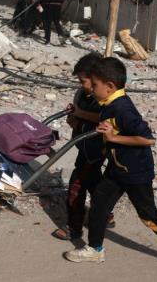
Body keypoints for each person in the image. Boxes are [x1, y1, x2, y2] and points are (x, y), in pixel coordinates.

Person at [64, 57, 157, 282]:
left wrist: (113, 137)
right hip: (116, 169)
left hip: (135, 172)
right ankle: (95, 249)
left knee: (148, 216)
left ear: (110, 86)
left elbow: (147, 139)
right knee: (100, 205)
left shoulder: (123, 108)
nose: (90, 90)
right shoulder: (108, 104)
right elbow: (103, 120)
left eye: (94, 85)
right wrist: (85, 119)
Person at [52, 53, 115, 242]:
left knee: (76, 187)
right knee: (94, 182)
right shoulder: (83, 94)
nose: (82, 85)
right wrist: (74, 117)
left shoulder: (105, 97)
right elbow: (77, 115)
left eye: (85, 81)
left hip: (95, 149)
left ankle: (74, 228)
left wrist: (80, 116)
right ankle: (106, 214)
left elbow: (105, 117)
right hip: (83, 145)